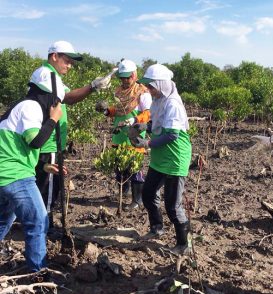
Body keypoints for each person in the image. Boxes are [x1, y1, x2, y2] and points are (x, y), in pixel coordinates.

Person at [34, 41, 112, 226]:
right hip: (49, 144)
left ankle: (40, 224)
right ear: (54, 56)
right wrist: (93, 86)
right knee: (47, 191)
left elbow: (68, 96)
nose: (69, 66)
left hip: (52, 143)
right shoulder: (47, 75)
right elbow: (68, 98)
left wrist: (92, 86)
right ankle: (44, 227)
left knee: (47, 189)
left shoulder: (52, 77)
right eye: (67, 61)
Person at [0, 72, 65, 272]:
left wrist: (42, 166)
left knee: (2, 221)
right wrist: (53, 119)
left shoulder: (20, 107)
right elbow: (36, 141)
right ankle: (39, 276)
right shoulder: (31, 106)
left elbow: (17, 148)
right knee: (38, 220)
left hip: (7, 173)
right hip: (14, 176)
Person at [130, 64, 192, 255]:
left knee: (173, 205)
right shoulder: (158, 100)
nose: (149, 89)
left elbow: (172, 135)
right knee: (148, 195)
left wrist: (146, 144)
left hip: (174, 158)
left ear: (162, 84)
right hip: (160, 157)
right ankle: (157, 228)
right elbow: (157, 124)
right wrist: (142, 126)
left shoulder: (173, 103)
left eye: (152, 86)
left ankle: (184, 245)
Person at [96, 59, 152, 211]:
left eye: (127, 77)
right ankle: (124, 192)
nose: (124, 80)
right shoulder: (118, 91)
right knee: (120, 168)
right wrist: (106, 111)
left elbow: (147, 114)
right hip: (118, 135)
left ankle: (137, 200)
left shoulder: (142, 92)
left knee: (135, 169)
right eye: (122, 77)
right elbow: (116, 110)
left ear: (134, 75)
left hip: (134, 137)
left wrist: (134, 119)